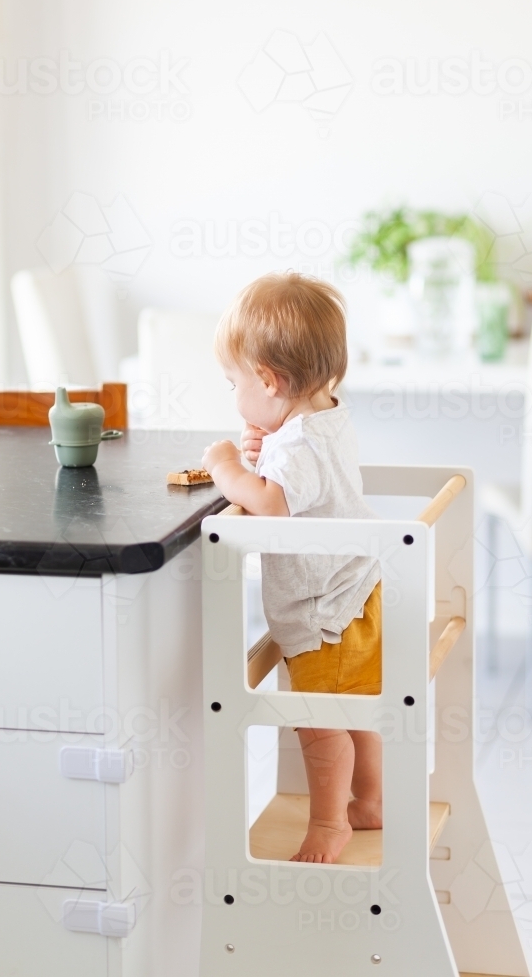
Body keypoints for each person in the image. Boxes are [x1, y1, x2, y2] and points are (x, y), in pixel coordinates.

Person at [201, 271, 381, 865]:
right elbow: (297, 477)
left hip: (323, 611)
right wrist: (265, 451)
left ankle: (330, 823)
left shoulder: (297, 446)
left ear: (269, 381)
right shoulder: (322, 418)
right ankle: (373, 800)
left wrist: (229, 466)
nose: (233, 395)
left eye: (234, 383)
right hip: (355, 591)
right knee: (355, 709)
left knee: (317, 723)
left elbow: (274, 502)